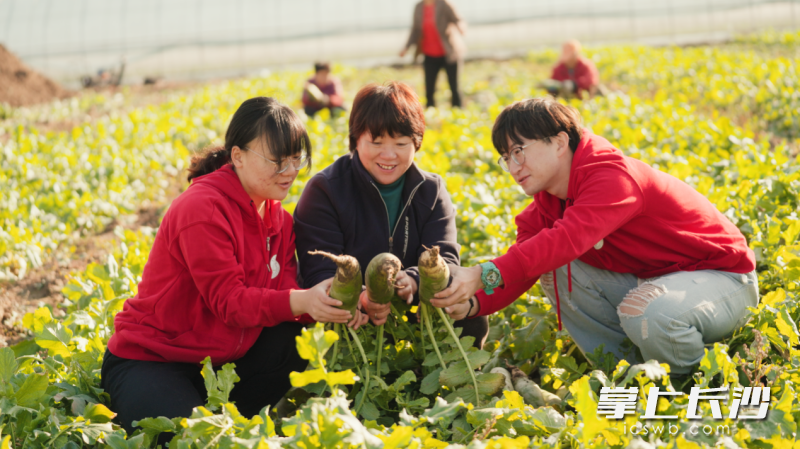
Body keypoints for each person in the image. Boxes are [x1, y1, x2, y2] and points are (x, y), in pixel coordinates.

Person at [101, 97, 367, 442]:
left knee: (295, 338)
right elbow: (229, 302)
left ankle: (218, 411)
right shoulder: (202, 208)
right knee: (192, 439)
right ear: (238, 156)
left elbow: (284, 293)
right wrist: (303, 301)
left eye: (295, 159)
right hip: (155, 360)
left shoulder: (279, 220)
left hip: (222, 365)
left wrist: (332, 303)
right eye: (277, 160)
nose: (289, 171)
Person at [432, 98, 758, 376]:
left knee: (647, 311)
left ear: (559, 142)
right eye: (506, 157)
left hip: (724, 282)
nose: (514, 166)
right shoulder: (545, 206)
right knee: (550, 264)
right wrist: (474, 302)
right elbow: (527, 265)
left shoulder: (611, 176)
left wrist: (482, 273)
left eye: (519, 151)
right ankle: (630, 376)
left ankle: (691, 385)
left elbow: (567, 239)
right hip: (662, 284)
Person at [294, 82, 489, 348]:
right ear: (355, 140)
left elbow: (446, 259)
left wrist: (412, 281)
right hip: (351, 317)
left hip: (413, 314)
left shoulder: (430, 191)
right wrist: (362, 298)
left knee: (469, 313)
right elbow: (318, 271)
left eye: (400, 143)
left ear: (416, 143)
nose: (389, 155)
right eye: (376, 142)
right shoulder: (326, 189)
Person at [400, 0, 466, 108]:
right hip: (429, 54)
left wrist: (461, 27)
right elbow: (415, 30)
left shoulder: (444, 4)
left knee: (454, 86)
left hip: (449, 53)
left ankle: (458, 110)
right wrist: (406, 47)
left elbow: (458, 19)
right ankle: (430, 112)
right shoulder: (418, 7)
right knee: (429, 88)